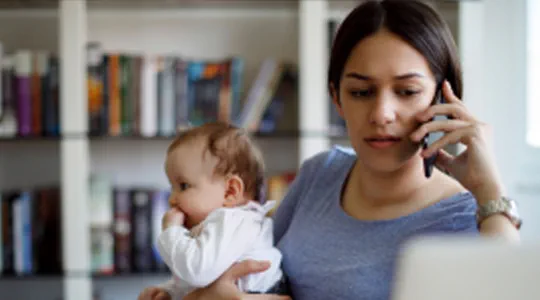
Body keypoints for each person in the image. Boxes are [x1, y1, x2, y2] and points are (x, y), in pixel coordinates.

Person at [139, 1, 522, 299]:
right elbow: (240, 271)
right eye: (360, 92)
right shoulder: (320, 174)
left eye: (406, 92)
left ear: (443, 97)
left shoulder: (471, 216)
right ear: (336, 98)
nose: (382, 113)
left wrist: (491, 191)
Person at [152, 122, 288, 299]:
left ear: (230, 191)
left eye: (183, 186)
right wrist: (169, 291)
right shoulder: (219, 224)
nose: (172, 199)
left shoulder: (232, 220)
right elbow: (205, 278)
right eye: (172, 187)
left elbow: (197, 271)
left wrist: (172, 232)